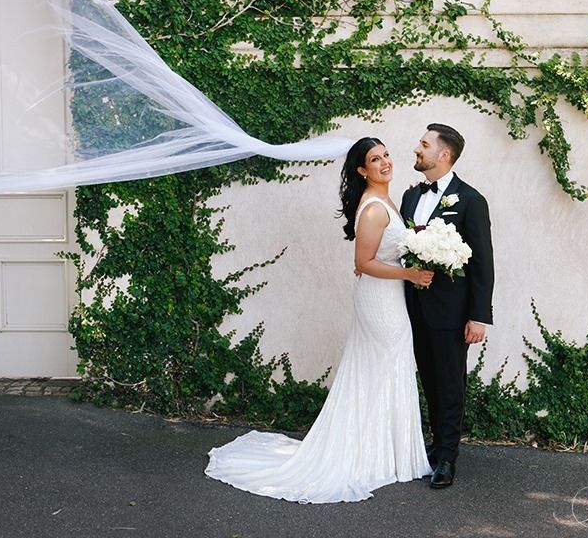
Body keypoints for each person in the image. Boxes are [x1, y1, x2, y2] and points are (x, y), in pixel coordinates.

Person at [205, 137, 434, 503]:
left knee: (383, 368)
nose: (385, 162)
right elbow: (363, 264)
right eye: (375, 159)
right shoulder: (374, 209)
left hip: (387, 296)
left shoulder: (386, 199)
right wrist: (410, 275)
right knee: (384, 368)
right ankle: (375, 457)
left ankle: (388, 454)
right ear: (362, 170)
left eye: (386, 154)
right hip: (380, 300)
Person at [400, 123, 495, 489]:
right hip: (412, 308)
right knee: (429, 380)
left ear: (444, 155)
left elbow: (483, 263)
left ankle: (448, 458)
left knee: (451, 384)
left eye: (423, 145)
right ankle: (437, 444)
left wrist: (478, 316)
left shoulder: (470, 200)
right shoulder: (410, 197)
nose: (416, 150)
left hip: (452, 313)